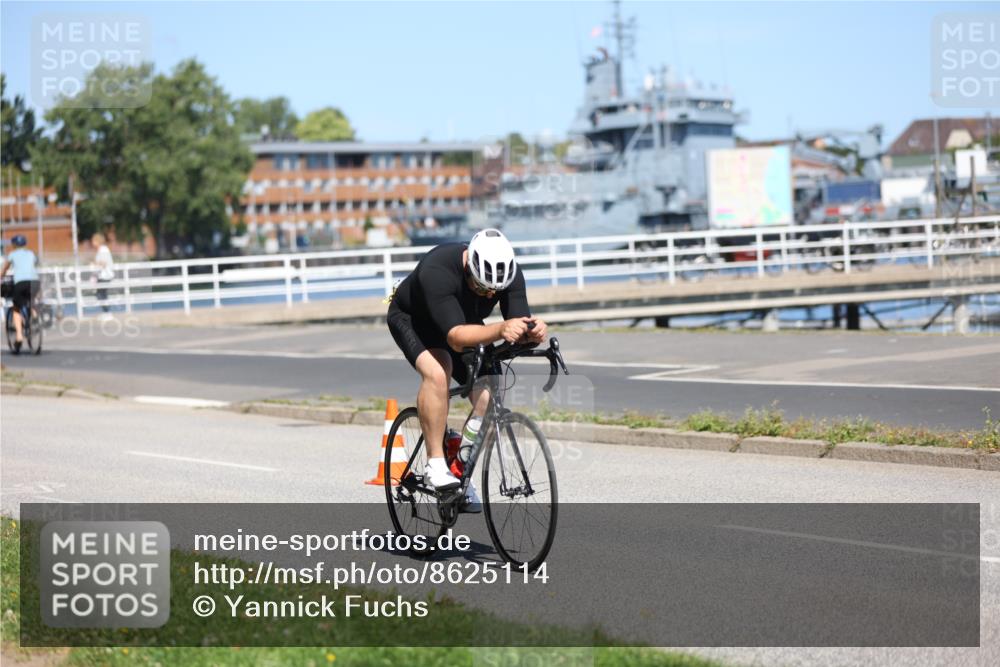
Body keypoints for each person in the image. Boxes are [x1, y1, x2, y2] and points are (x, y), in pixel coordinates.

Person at [387, 229, 547, 512]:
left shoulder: (507, 273)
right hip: (415, 321)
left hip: (464, 322)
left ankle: (460, 466)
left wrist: (531, 333)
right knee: (438, 372)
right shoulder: (438, 268)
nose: (488, 294)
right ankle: (436, 463)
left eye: (493, 291)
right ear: (469, 265)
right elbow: (455, 338)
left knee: (489, 398)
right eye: (482, 287)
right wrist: (499, 328)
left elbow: (515, 323)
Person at [1, 235, 40, 353]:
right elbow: (34, 264)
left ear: (14, 245)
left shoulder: (12, 254)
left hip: (21, 283)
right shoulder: (31, 253)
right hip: (34, 282)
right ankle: (35, 318)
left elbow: (4, 269)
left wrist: (1, 275)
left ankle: (19, 336)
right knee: (31, 301)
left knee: (16, 308)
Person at [91, 233, 115, 316]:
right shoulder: (100, 250)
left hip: (105, 275)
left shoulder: (103, 250)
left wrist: (94, 263)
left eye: (94, 241)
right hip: (101, 275)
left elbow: (104, 262)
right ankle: (106, 311)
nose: (92, 243)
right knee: (101, 294)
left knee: (101, 294)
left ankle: (107, 312)